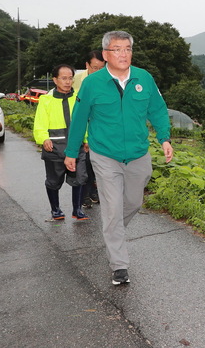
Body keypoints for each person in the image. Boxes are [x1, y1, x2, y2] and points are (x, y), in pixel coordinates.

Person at [64, 30, 173, 286]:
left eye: (127, 49)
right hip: (105, 155)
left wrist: (164, 138)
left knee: (133, 203)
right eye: (117, 49)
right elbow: (79, 119)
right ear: (105, 54)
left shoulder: (144, 78)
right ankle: (119, 265)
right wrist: (71, 152)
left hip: (138, 153)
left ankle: (113, 231)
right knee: (112, 210)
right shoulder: (92, 84)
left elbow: (157, 109)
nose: (123, 54)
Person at [34, 64, 89, 221]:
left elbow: (85, 120)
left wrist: (86, 139)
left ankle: (77, 210)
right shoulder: (46, 100)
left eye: (70, 78)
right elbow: (39, 124)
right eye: (64, 78)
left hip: (76, 146)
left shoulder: (79, 97)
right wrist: (43, 138)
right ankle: (56, 210)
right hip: (54, 147)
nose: (67, 82)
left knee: (79, 178)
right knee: (53, 180)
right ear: (55, 80)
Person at [72, 50, 106, 208]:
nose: (97, 72)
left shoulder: (109, 80)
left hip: (100, 128)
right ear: (87, 66)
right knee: (83, 163)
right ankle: (85, 195)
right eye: (94, 68)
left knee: (95, 163)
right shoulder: (77, 80)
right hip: (83, 127)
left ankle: (93, 191)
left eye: (101, 68)